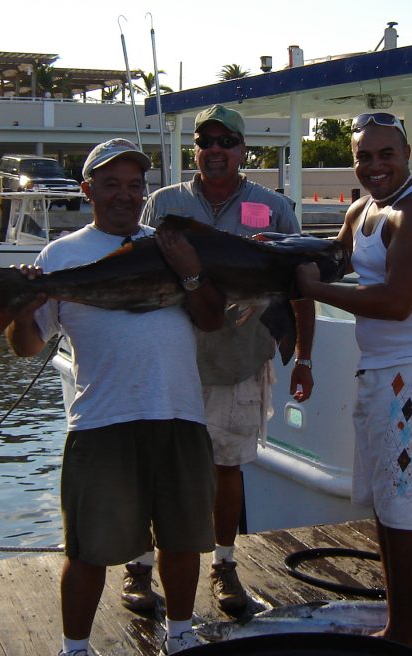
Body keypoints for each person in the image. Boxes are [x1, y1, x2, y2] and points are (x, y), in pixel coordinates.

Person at [4, 138, 225, 656]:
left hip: (179, 414)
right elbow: (27, 345)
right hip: (102, 422)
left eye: (134, 186)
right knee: (88, 550)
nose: (125, 195)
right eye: (112, 185)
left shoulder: (171, 246)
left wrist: (191, 271)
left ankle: (181, 636)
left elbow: (212, 320)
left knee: (183, 540)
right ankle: (74, 648)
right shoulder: (62, 255)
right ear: (88, 191)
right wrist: (19, 308)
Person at [121, 104, 317, 615]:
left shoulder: (273, 207)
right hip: (168, 357)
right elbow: (129, 269)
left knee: (226, 466)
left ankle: (224, 564)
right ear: (196, 150)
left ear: (242, 150)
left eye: (226, 142)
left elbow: (298, 288)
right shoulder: (163, 204)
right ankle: (141, 565)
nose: (215, 151)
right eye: (205, 142)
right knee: (157, 466)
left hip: (238, 358)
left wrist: (305, 357)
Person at [294, 112, 412, 655]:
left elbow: (395, 302)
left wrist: (312, 291)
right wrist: (277, 252)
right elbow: (333, 260)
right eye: (363, 156)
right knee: (387, 508)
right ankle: (397, 623)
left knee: (407, 511)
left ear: (407, 152)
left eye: (385, 154)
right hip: (382, 373)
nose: (374, 166)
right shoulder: (362, 210)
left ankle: (405, 635)